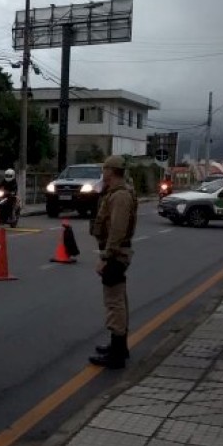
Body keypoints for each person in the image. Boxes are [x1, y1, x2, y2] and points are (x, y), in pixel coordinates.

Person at [89, 155, 138, 369]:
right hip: (117, 252)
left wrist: (106, 257)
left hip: (116, 254)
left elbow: (117, 230)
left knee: (114, 302)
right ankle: (118, 346)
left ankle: (117, 353)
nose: (103, 171)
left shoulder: (120, 196)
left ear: (111, 170)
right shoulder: (116, 192)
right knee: (117, 300)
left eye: (105, 168)